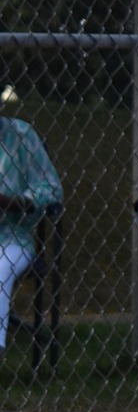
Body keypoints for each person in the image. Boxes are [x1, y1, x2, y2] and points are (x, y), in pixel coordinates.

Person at [0, 109, 60, 353]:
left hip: (12, 237)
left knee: (1, 269)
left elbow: (51, 189)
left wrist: (15, 202)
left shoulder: (20, 134)